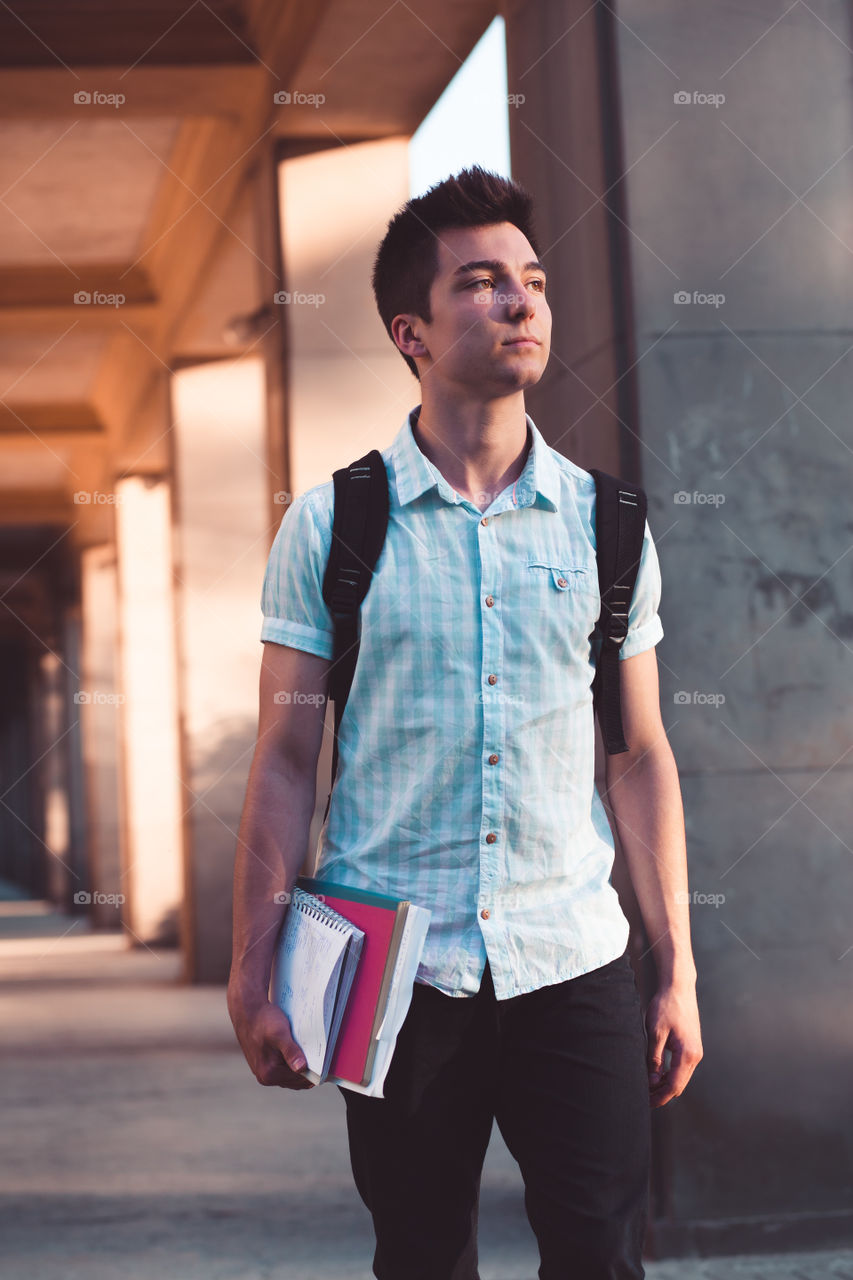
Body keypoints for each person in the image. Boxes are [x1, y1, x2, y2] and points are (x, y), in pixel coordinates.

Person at [227, 165, 703, 1280]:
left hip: (572, 957)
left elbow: (636, 755)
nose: (521, 302)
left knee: (600, 1254)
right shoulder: (334, 522)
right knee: (422, 1256)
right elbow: (287, 755)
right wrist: (253, 966)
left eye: (530, 281)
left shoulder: (609, 524)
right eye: (482, 284)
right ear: (412, 330)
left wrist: (674, 965)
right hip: (393, 967)